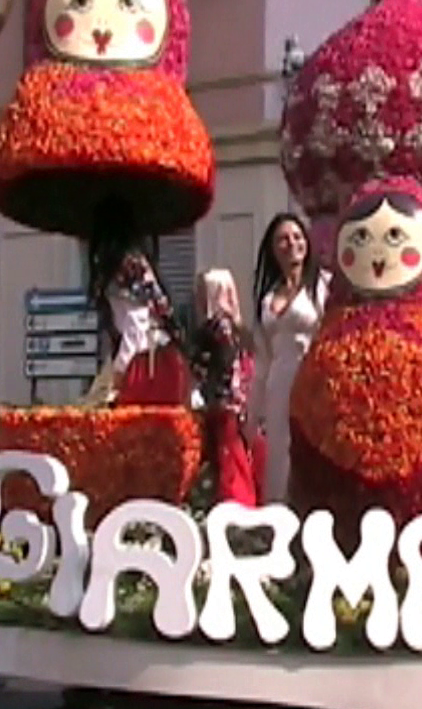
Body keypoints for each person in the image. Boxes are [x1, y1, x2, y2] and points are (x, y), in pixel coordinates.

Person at [252, 212, 330, 504]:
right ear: (273, 249)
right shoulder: (267, 299)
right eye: (282, 240)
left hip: (312, 383)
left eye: (297, 237)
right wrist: (252, 416)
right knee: (279, 454)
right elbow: (261, 361)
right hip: (278, 385)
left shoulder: (322, 286)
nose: (291, 244)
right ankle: (278, 516)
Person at [190, 269, 261, 507]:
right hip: (243, 406)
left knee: (228, 462)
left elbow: (216, 366)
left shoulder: (217, 329)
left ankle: (235, 506)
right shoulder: (241, 330)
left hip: (223, 406)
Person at [100, 247, 192, 407]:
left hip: (145, 368)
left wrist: (117, 376)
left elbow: (134, 332)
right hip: (166, 360)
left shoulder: (128, 302)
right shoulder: (153, 306)